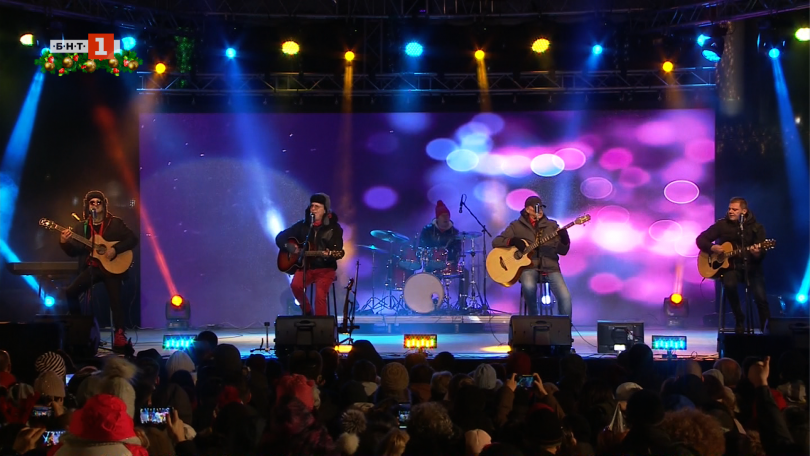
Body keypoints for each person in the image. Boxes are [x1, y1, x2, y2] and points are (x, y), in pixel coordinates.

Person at [60, 190, 138, 351]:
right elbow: (73, 252)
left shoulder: (115, 223)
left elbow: (133, 239)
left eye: (98, 202)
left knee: (115, 300)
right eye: (92, 202)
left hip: (112, 268)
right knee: (70, 292)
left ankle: (120, 334)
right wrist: (64, 242)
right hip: (93, 268)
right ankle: (78, 328)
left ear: (104, 205)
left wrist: (115, 249)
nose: (95, 205)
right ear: (87, 206)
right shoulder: (82, 227)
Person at [696, 197, 770, 333]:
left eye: (735, 209)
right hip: (731, 269)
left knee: (761, 298)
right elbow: (700, 240)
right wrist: (712, 248)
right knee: (729, 284)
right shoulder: (722, 225)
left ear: (744, 211)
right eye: (729, 209)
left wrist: (757, 253)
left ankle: (767, 330)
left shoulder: (756, 228)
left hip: (752, 269)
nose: (730, 211)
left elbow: (762, 254)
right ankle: (739, 317)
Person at [492, 196, 572, 317]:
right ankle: (534, 320)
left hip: (550, 267)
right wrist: (512, 241)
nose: (540, 211)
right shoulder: (516, 226)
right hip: (528, 267)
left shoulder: (551, 226)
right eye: (536, 208)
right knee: (529, 287)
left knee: (565, 297)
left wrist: (565, 240)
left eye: (541, 208)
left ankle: (565, 325)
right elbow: (496, 242)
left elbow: (563, 251)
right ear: (528, 210)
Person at [276, 193, 344, 316]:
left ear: (325, 210)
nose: (313, 209)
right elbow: (280, 238)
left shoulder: (334, 228)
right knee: (295, 286)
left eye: (317, 206)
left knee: (320, 296)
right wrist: (290, 247)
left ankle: (321, 325)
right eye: (312, 206)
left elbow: (338, 251)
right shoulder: (302, 226)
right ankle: (307, 312)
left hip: (325, 269)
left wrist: (329, 254)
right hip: (305, 267)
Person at [418, 200, 468, 310]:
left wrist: (450, 258)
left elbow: (458, 249)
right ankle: (426, 304)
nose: (446, 218)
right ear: (437, 217)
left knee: (465, 272)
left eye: (447, 215)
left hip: (449, 264)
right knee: (426, 275)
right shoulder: (428, 230)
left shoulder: (454, 232)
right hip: (431, 264)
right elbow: (421, 246)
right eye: (443, 216)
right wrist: (432, 254)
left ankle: (462, 304)